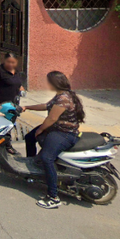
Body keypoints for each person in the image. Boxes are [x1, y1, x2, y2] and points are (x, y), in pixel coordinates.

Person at [20, 71, 85, 209]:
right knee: (30, 137)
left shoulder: (64, 98)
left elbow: (52, 118)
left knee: (47, 158)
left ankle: (53, 197)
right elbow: (46, 106)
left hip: (65, 133)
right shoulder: (60, 95)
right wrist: (26, 107)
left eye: (48, 81)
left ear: (54, 83)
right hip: (56, 129)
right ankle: (33, 169)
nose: (46, 84)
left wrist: (40, 129)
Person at [0, 52, 24, 154]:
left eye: (13, 62)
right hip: (3, 104)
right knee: (3, 125)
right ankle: (4, 145)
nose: (10, 64)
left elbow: (19, 84)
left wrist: (22, 90)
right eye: (8, 62)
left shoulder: (16, 72)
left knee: (10, 125)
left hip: (14, 104)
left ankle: (4, 143)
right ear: (4, 60)